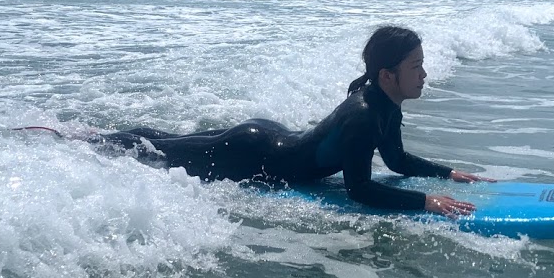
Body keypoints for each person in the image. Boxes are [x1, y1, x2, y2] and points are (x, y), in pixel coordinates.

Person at [59, 26, 490, 216]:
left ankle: (96, 135)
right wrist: (425, 202)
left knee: (171, 141)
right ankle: (85, 139)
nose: (424, 74)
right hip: (253, 154)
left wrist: (447, 173)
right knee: (159, 152)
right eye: (416, 66)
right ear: (387, 75)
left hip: (272, 138)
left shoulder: (386, 105)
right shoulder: (364, 115)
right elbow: (359, 190)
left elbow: (395, 160)